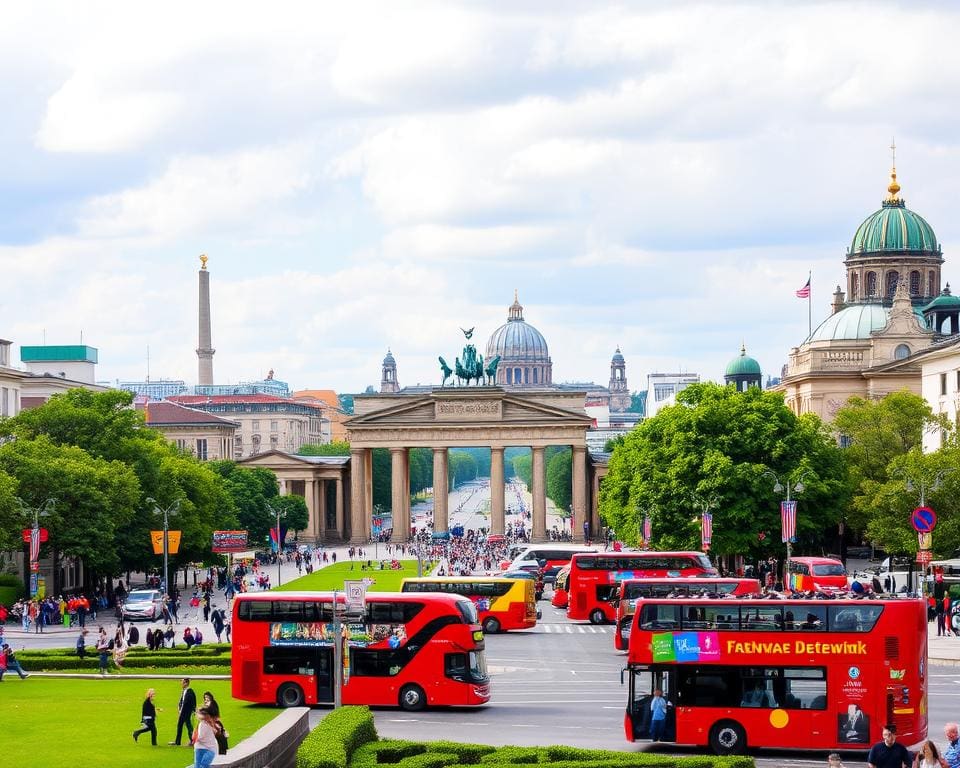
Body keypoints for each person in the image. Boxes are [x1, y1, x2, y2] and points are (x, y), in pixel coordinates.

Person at [171, 677, 197, 746]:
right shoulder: (185, 691)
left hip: (186, 713)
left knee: (188, 726)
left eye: (182, 682)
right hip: (183, 712)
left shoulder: (190, 692)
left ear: (186, 683)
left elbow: (191, 703)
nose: (181, 684)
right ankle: (178, 742)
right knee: (180, 726)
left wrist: (193, 711)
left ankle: (192, 741)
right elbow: (182, 702)